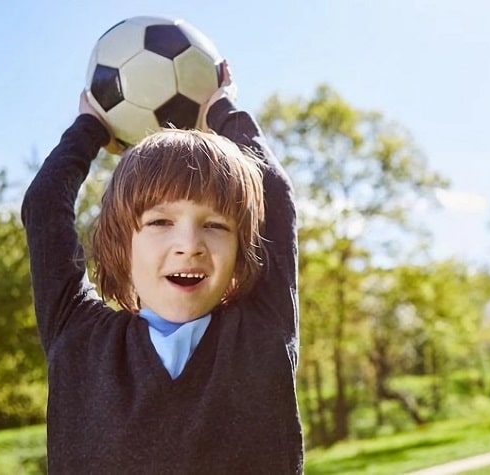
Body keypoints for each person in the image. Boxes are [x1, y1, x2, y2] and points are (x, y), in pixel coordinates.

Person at [21, 61, 303, 473]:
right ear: (122, 244)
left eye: (215, 225)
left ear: (243, 247)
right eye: (159, 222)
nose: (189, 246)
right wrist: (90, 127)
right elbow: (45, 202)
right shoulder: (77, 335)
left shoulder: (263, 326)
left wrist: (224, 111)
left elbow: (275, 197)